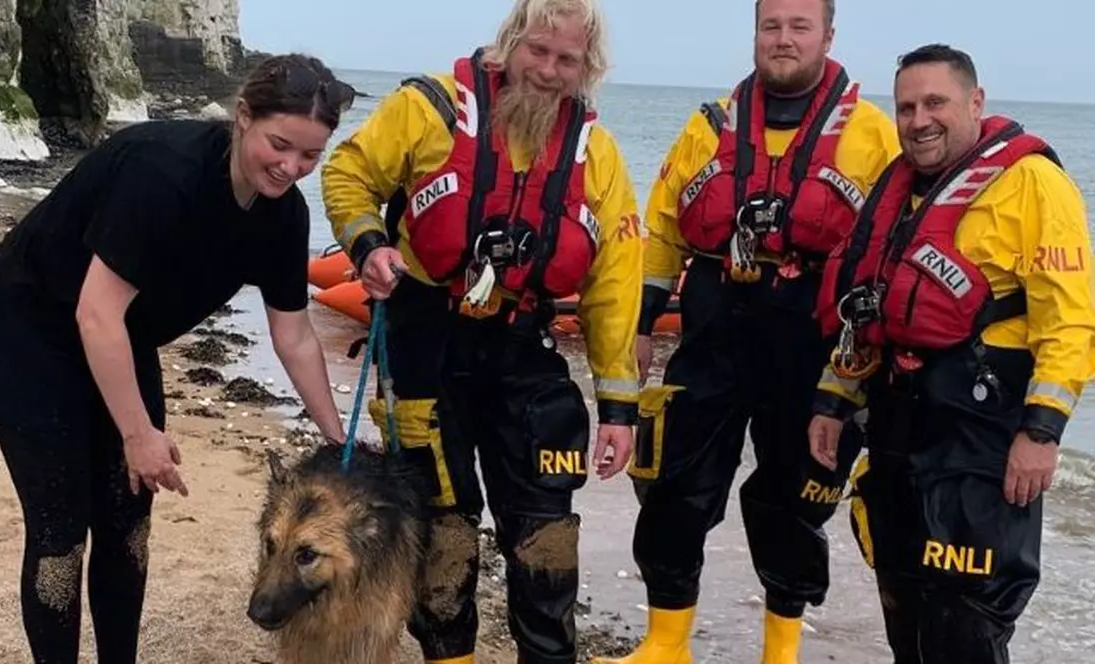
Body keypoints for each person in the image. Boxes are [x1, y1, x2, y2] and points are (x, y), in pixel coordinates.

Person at [0, 53, 351, 663]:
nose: (290, 167)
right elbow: (96, 313)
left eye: (310, 156)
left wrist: (336, 435)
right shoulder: (163, 175)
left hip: (123, 338)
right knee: (61, 528)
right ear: (243, 117)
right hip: (27, 329)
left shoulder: (284, 215)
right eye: (280, 145)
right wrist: (138, 433)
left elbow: (295, 335)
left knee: (127, 521)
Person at [320, 1, 643, 662]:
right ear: (509, 44)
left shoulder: (599, 155)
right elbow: (348, 174)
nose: (548, 71)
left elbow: (616, 284)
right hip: (425, 347)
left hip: (525, 352)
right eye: (538, 52)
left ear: (588, 68)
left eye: (567, 60)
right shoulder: (429, 108)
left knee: (547, 537)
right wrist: (368, 246)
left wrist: (619, 409)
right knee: (444, 533)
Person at [592, 1, 904, 662]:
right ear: (755, 33)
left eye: (799, 26)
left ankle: (780, 649)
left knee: (795, 497)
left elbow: (894, 248)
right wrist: (643, 325)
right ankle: (666, 643)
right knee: (675, 483)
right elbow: (665, 226)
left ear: (827, 35)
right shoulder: (709, 125)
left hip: (812, 338)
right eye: (771, 26)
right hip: (713, 328)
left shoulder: (874, 134)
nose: (783, 39)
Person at [810, 43, 1095, 663]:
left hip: (982, 441)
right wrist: (834, 399)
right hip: (899, 428)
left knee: (967, 619)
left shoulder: (1035, 186)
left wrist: (1042, 434)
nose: (919, 120)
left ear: (976, 102)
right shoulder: (900, 190)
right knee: (904, 604)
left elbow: (1071, 321)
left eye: (935, 102)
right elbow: (872, 311)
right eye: (907, 107)